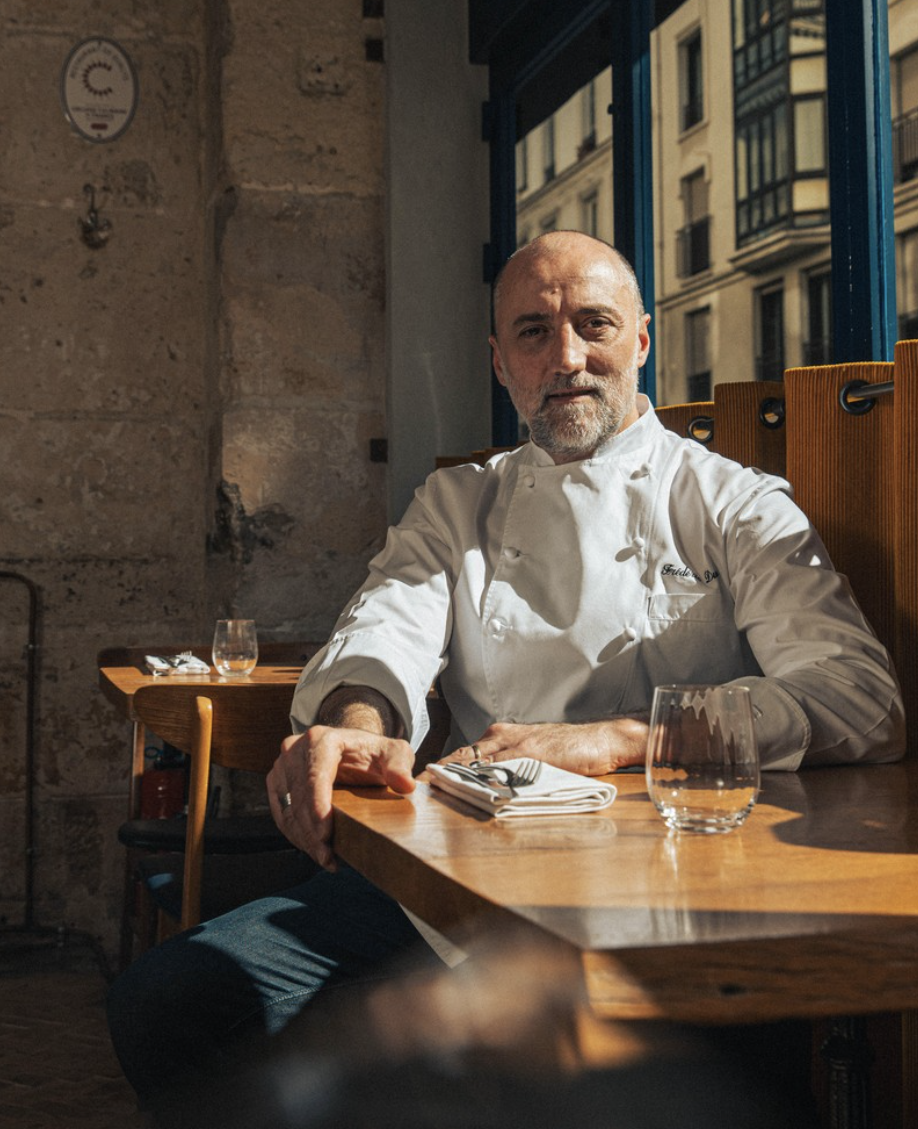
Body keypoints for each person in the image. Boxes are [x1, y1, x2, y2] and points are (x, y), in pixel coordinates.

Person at [108, 231, 904, 1110]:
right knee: (169, 1004)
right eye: (533, 331)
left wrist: (618, 739)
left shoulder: (732, 501)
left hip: (670, 894)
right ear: (500, 362)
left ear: (642, 340)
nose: (567, 357)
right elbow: (386, 627)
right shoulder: (460, 502)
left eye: (593, 324)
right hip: (450, 887)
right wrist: (357, 723)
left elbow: (860, 699)